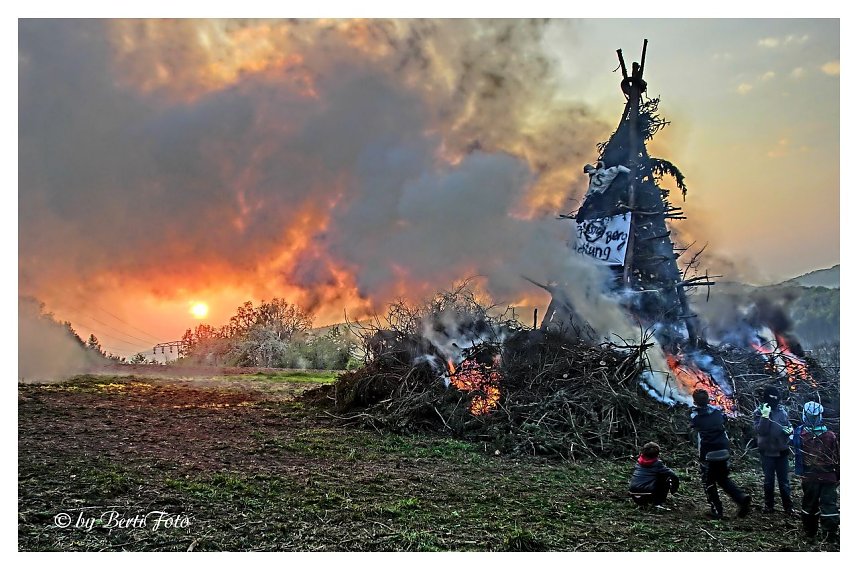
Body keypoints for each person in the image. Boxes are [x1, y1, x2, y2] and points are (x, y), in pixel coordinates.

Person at [690, 388, 751, 519]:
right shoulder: (718, 412)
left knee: (709, 481)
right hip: (724, 450)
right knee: (723, 478)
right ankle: (740, 497)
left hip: (709, 454)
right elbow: (723, 418)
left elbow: (694, 425)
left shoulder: (695, 417)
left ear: (695, 402)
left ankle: (717, 510)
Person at [792, 401, 839, 543]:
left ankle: (810, 532)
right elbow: (837, 457)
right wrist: (838, 476)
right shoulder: (830, 435)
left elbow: (795, 450)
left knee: (809, 504)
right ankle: (830, 534)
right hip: (829, 477)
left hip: (810, 477)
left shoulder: (800, 434)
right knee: (829, 504)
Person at [753, 385, 794, 515]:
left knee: (784, 483)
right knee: (769, 481)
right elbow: (761, 431)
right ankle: (769, 506)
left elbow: (788, 425)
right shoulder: (758, 412)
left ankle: (788, 508)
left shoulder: (782, 411)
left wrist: (789, 431)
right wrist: (765, 416)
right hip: (767, 452)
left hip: (782, 451)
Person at [628, 441, 680, 510]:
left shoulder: (638, 463)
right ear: (657, 454)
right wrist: (673, 490)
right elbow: (674, 476)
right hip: (648, 494)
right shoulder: (657, 464)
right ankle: (657, 503)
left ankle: (643, 503)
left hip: (633, 494)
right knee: (665, 478)